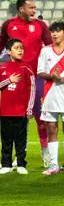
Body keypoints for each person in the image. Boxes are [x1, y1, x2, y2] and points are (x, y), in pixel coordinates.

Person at [0, 0, 53, 167]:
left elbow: (51, 47)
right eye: (30, 8)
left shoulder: (40, 26)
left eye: (34, 7)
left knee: (39, 116)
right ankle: (18, 155)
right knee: (16, 118)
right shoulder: (8, 25)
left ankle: (45, 149)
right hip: (14, 77)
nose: (34, 11)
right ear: (21, 9)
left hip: (36, 77)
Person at [36, 21, 64, 175]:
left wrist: (62, 79)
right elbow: (40, 72)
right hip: (49, 95)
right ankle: (54, 164)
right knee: (51, 129)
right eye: (52, 31)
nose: (54, 34)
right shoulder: (45, 51)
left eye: (58, 31)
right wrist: (51, 76)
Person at [0, 39, 35, 174]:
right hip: (5, 111)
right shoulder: (2, 67)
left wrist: (29, 108)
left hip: (20, 111)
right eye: (16, 48)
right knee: (6, 139)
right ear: (9, 51)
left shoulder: (26, 68)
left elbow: (32, 89)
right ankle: (6, 164)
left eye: (21, 48)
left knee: (20, 140)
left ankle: (21, 163)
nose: (20, 50)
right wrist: (9, 80)